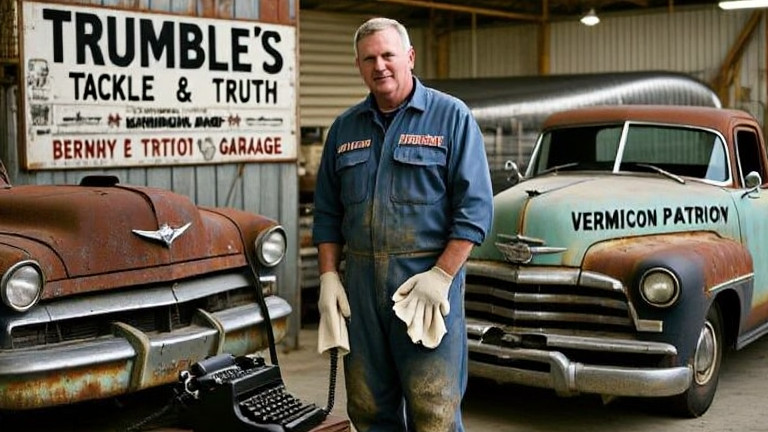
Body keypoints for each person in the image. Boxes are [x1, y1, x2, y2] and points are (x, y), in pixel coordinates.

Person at [312, 17, 493, 432]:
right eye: (369, 59)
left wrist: (442, 275)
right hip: (359, 291)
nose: (380, 66)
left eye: (388, 55)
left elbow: (475, 211)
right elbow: (327, 214)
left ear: (409, 57)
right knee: (368, 409)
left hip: (425, 290)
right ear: (359, 66)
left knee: (434, 411)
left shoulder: (451, 118)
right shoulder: (344, 129)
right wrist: (327, 279)